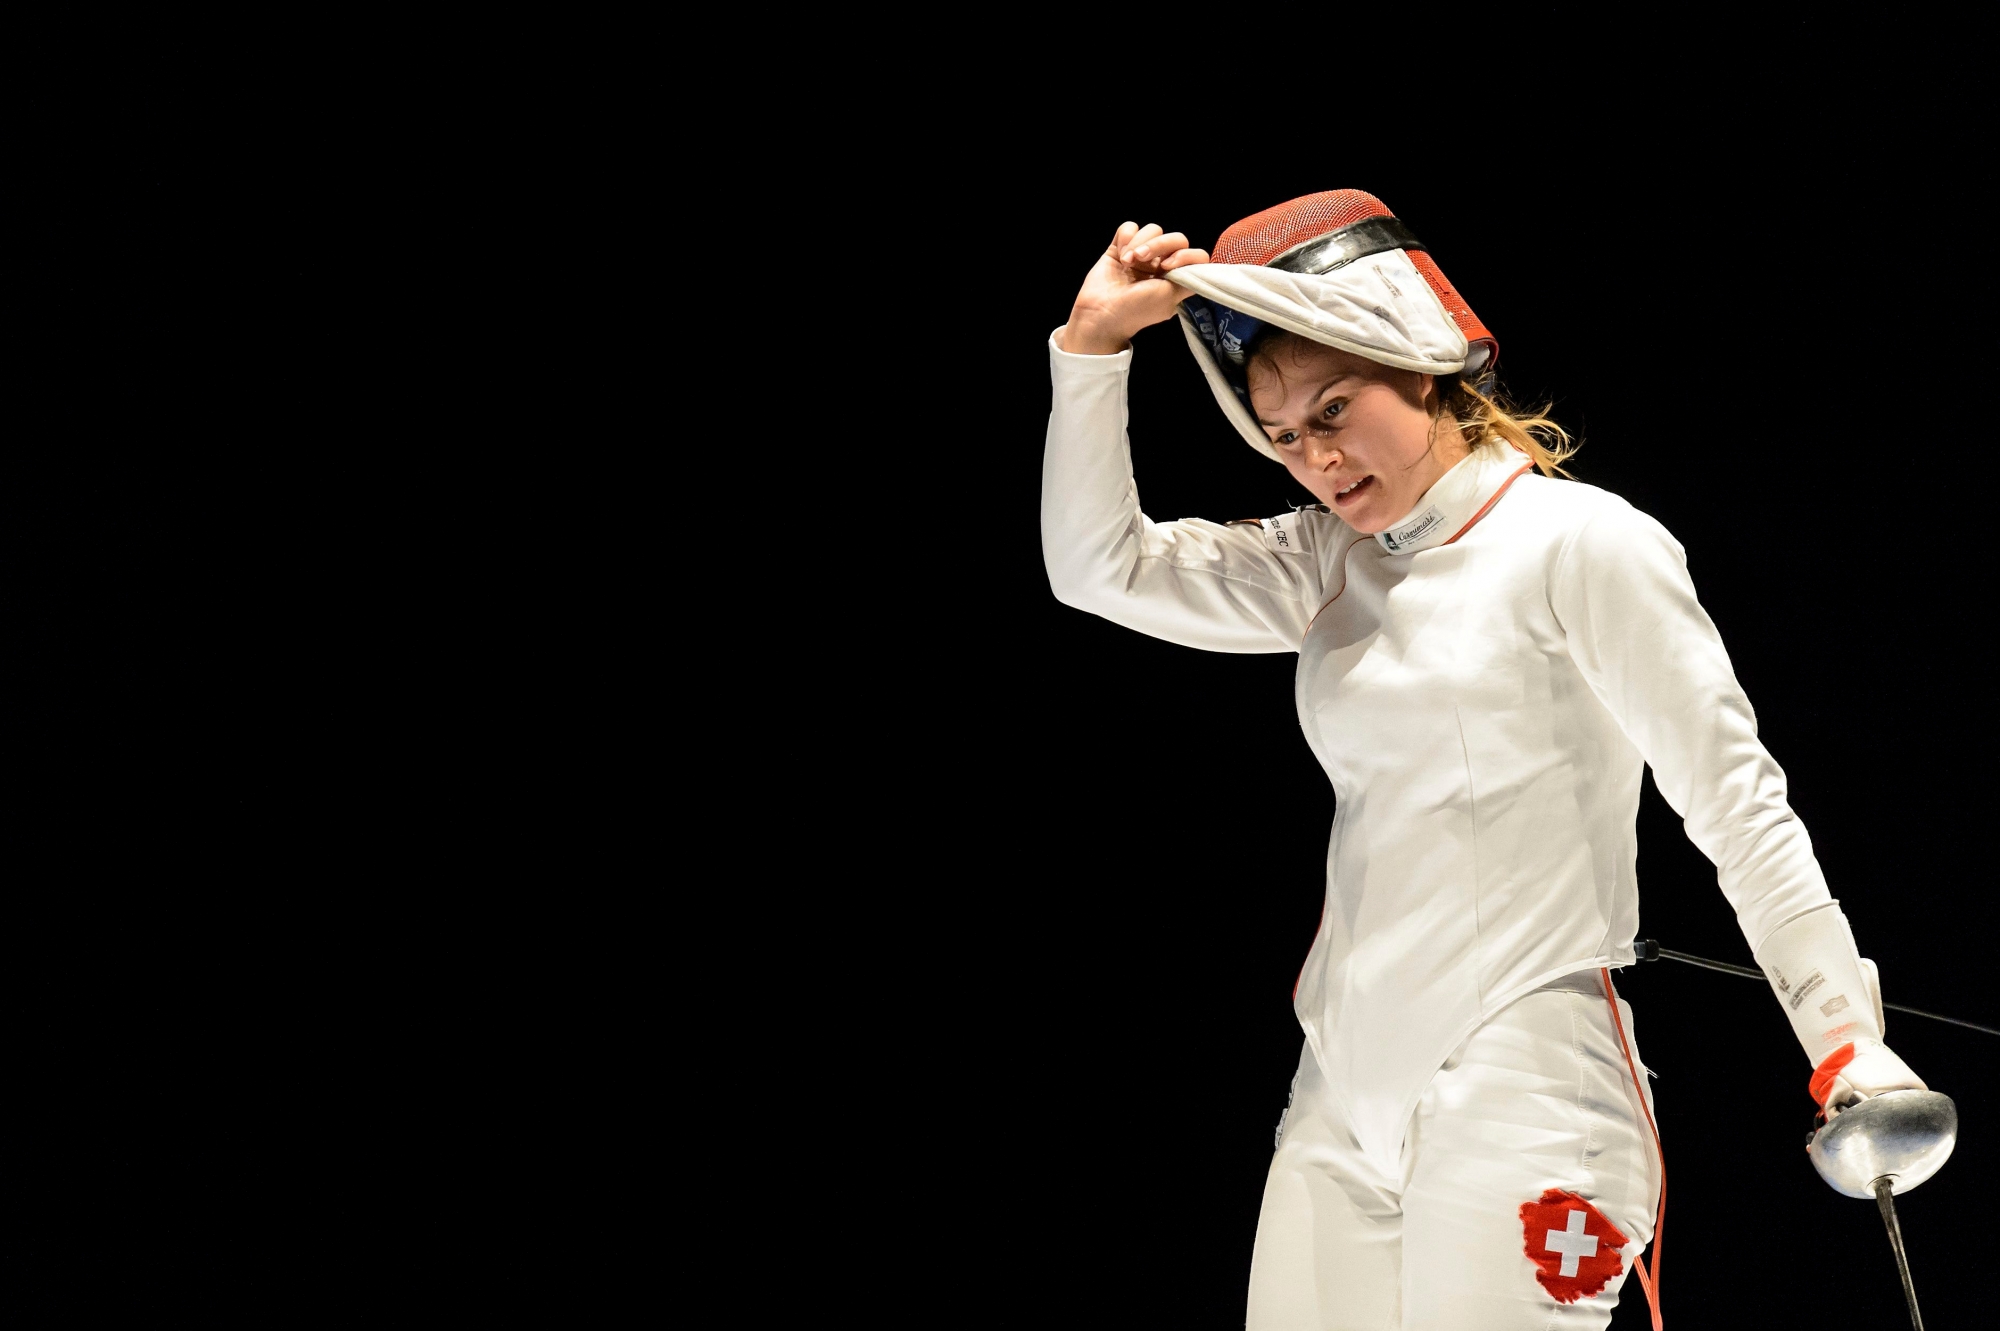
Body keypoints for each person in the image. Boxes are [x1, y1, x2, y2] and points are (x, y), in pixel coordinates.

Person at [1039, 191, 1928, 1330]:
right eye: (1284, 433)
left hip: (1524, 1082)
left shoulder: (1581, 543)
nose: (1315, 455)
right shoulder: (1327, 564)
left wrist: (1844, 1038)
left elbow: (1736, 805)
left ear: (1416, 365)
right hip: (1337, 1089)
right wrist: (1089, 346)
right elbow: (1094, 567)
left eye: (1335, 407)